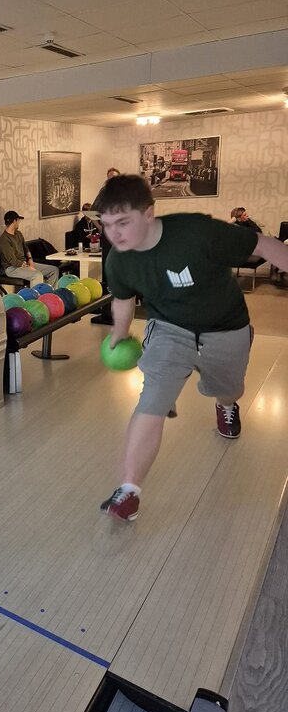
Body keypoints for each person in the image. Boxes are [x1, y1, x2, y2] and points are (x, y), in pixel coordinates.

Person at [93, 174, 288, 522]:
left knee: (229, 389)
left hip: (226, 327)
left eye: (123, 222)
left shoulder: (196, 232)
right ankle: (129, 490)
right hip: (169, 328)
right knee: (151, 400)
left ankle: (226, 405)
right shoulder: (119, 260)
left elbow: (263, 244)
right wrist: (119, 333)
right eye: (107, 225)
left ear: (149, 214)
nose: (114, 234)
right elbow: (122, 300)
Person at [0, 211, 58, 288]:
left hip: (24, 263)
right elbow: (12, 260)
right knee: (37, 275)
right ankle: (36, 298)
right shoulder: (4, 239)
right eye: (18, 221)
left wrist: (30, 259)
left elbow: (26, 248)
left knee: (54, 270)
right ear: (14, 221)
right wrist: (27, 267)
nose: (19, 223)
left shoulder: (18, 234)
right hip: (12, 268)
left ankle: (48, 295)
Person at [91, 167, 120, 326]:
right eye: (109, 178)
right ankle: (108, 312)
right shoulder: (104, 192)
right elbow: (90, 212)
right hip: (109, 235)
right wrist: (99, 227)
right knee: (108, 273)